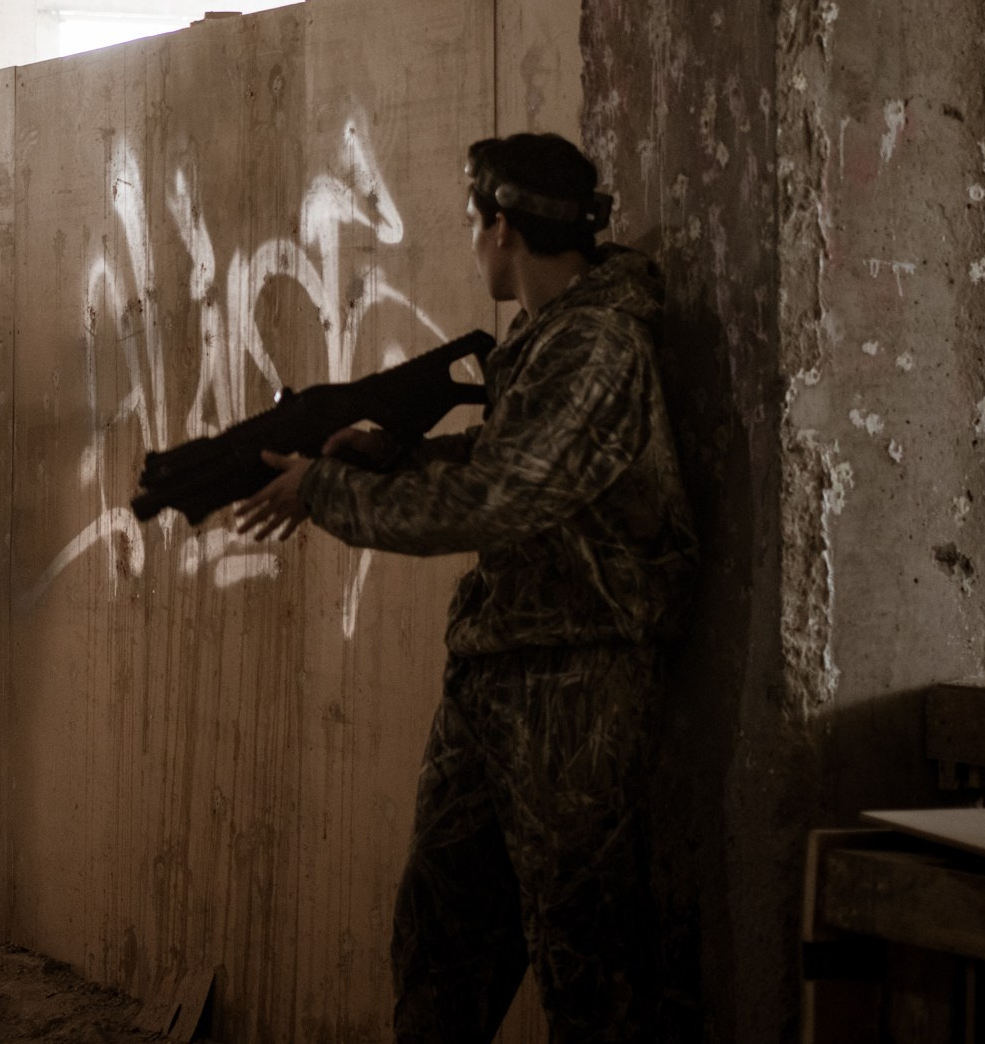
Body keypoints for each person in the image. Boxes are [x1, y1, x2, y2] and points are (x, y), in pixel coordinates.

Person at [236, 133, 696, 1042]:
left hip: (576, 689)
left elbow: (497, 501)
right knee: (440, 942)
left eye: (472, 218)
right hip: (500, 679)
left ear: (501, 226)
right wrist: (393, 453)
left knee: (587, 963)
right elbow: (511, 461)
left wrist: (329, 491)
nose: (470, 236)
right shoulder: (548, 339)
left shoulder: (597, 345)